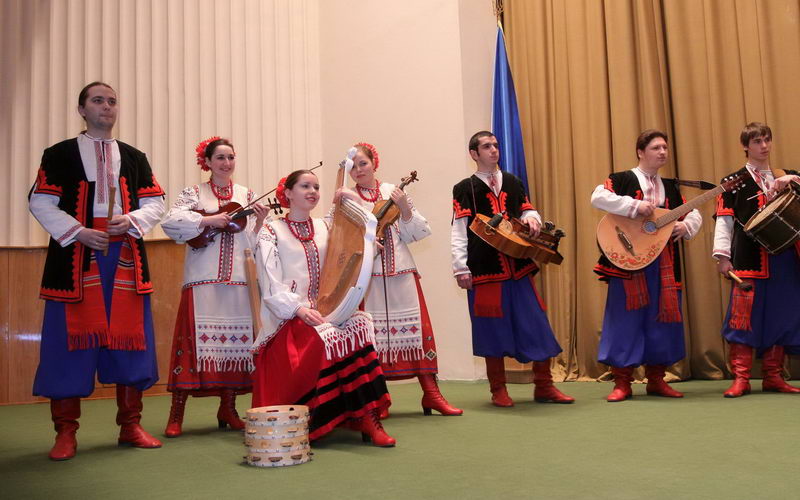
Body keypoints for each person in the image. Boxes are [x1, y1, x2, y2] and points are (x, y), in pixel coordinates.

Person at [28, 81, 166, 460]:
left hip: (125, 260)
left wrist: (132, 220)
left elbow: (156, 202)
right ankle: (66, 432)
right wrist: (80, 232)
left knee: (130, 341)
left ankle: (130, 425)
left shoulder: (135, 157)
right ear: (82, 109)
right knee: (68, 345)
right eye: (98, 100)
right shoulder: (59, 154)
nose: (107, 106)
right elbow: (40, 202)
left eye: (112, 101)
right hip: (74, 261)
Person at [251, 169, 396, 447]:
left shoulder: (326, 227)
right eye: (305, 186)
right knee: (324, 338)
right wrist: (299, 310)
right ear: (288, 193)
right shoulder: (271, 231)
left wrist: (368, 250)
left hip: (328, 310)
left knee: (359, 329)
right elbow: (270, 284)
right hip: (288, 319)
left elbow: (345, 258)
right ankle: (326, 418)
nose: (313, 192)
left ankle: (368, 417)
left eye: (316, 187)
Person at [451, 131, 574, 407]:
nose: (494, 150)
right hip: (485, 270)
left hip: (518, 266)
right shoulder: (464, 188)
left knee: (536, 323)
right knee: (492, 330)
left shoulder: (513, 182)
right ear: (474, 154)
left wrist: (532, 219)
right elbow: (459, 229)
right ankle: (498, 391)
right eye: (487, 146)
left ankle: (544, 386)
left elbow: (527, 209)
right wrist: (460, 267)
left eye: (495, 145)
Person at [160, 137, 269, 437]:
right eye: (220, 157)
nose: (226, 163)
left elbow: (258, 242)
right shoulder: (194, 193)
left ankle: (228, 409)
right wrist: (210, 220)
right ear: (207, 162)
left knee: (235, 347)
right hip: (202, 279)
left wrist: (260, 223)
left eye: (230, 157)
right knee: (192, 346)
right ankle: (176, 414)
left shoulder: (248, 196)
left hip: (239, 281)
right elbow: (171, 222)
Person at [349, 142, 461, 418]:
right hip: (368, 277)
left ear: (374, 163)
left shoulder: (393, 191)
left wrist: (404, 208)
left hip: (401, 271)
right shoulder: (347, 199)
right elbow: (338, 236)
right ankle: (378, 399)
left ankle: (432, 394)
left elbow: (418, 233)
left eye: (363, 163)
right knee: (371, 338)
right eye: (353, 166)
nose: (359, 169)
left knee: (418, 332)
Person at [591, 129, 702, 402]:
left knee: (662, 319)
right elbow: (598, 197)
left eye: (665, 147)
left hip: (664, 262)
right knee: (624, 320)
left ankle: (656, 380)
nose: (662, 152)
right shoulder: (622, 179)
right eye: (656, 148)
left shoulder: (671, 187)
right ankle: (622, 383)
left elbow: (694, 212)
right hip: (627, 261)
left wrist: (686, 226)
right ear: (641, 152)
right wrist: (633, 206)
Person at [713, 122, 800, 397]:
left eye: (766, 140)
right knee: (743, 318)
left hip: (785, 258)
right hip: (748, 258)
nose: (764, 146)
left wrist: (792, 180)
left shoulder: (786, 175)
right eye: (757, 141)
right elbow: (724, 222)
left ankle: (773, 376)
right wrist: (722, 257)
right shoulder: (733, 182)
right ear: (745, 146)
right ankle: (741, 378)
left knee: (781, 316)